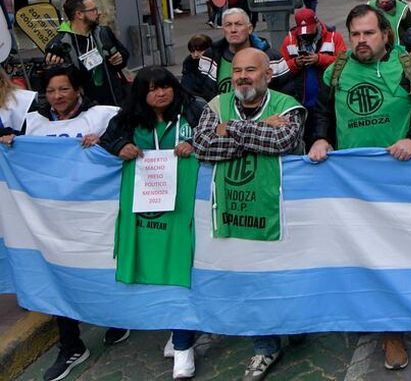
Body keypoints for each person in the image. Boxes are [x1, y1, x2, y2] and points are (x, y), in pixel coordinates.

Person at [307, 4, 411, 371]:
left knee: (400, 253)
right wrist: (320, 139)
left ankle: (398, 326)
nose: (362, 41)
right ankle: (380, 322)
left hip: (400, 183)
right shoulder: (336, 71)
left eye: (369, 33)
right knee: (363, 252)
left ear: (386, 35)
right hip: (351, 185)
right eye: (355, 35)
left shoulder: (409, 68)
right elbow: (321, 113)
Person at [192, 48, 305, 381]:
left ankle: (296, 325)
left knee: (284, 275)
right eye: (237, 70)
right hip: (234, 210)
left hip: (280, 209)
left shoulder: (288, 106)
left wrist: (231, 130)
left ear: (267, 75)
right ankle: (265, 346)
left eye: (251, 70)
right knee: (251, 279)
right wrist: (254, 133)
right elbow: (202, 147)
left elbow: (283, 140)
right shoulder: (216, 104)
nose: (242, 76)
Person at [15, 66, 125, 381]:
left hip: (95, 214)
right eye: (51, 91)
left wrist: (108, 143)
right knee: (56, 276)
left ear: (77, 89)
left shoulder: (101, 116)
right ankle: (71, 345)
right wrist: (9, 141)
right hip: (49, 218)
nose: (57, 97)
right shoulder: (32, 124)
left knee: (102, 268)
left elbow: (129, 135)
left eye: (63, 89)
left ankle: (117, 318)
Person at [101, 67, 206, 380]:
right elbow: (109, 137)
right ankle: (178, 332)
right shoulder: (130, 118)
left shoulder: (194, 109)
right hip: (146, 208)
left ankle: (184, 341)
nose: (161, 93)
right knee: (157, 271)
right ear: (141, 95)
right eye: (152, 89)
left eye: (165, 86)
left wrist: (197, 144)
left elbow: (217, 134)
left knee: (181, 267)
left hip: (187, 204)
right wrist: (119, 146)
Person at [44, 0, 130, 107]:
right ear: (79, 14)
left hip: (115, 101)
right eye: (93, 10)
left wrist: (120, 58)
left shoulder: (103, 32)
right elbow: (59, 80)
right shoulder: (60, 45)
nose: (98, 13)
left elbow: (124, 54)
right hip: (84, 108)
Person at [189, 8, 290, 101]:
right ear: (223, 29)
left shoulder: (272, 58)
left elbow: (287, 94)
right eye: (228, 25)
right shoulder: (209, 57)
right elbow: (195, 95)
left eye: (238, 24)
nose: (233, 30)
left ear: (250, 29)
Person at [279, 8, 346, 142]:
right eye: (303, 32)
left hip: (328, 102)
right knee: (306, 138)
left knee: (330, 136)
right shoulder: (289, 40)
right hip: (301, 102)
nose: (306, 35)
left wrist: (320, 60)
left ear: (316, 23)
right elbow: (280, 69)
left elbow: (343, 62)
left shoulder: (334, 37)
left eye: (309, 31)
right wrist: (296, 63)